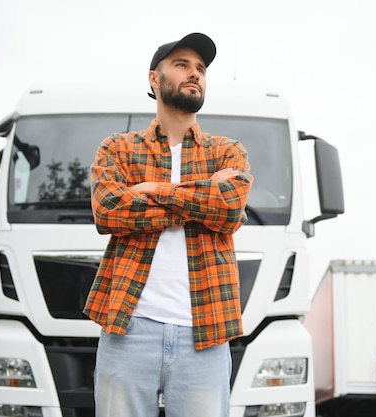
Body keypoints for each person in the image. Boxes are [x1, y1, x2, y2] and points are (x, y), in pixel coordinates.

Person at [83, 32, 253, 417]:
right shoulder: (119, 148)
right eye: (182, 65)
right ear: (154, 79)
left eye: (201, 69)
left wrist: (153, 189)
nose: (195, 74)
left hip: (206, 332)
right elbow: (108, 210)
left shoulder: (227, 150)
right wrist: (203, 197)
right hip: (128, 327)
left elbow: (229, 209)